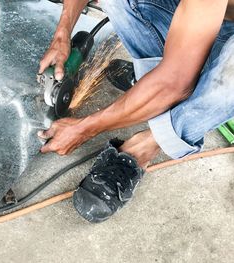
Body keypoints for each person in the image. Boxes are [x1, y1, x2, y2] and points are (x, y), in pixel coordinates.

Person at [37, 0, 234, 223]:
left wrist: (85, 128)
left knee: (223, 79)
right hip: (198, 19)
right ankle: (154, 89)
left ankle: (146, 145)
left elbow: (176, 83)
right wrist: (63, 32)